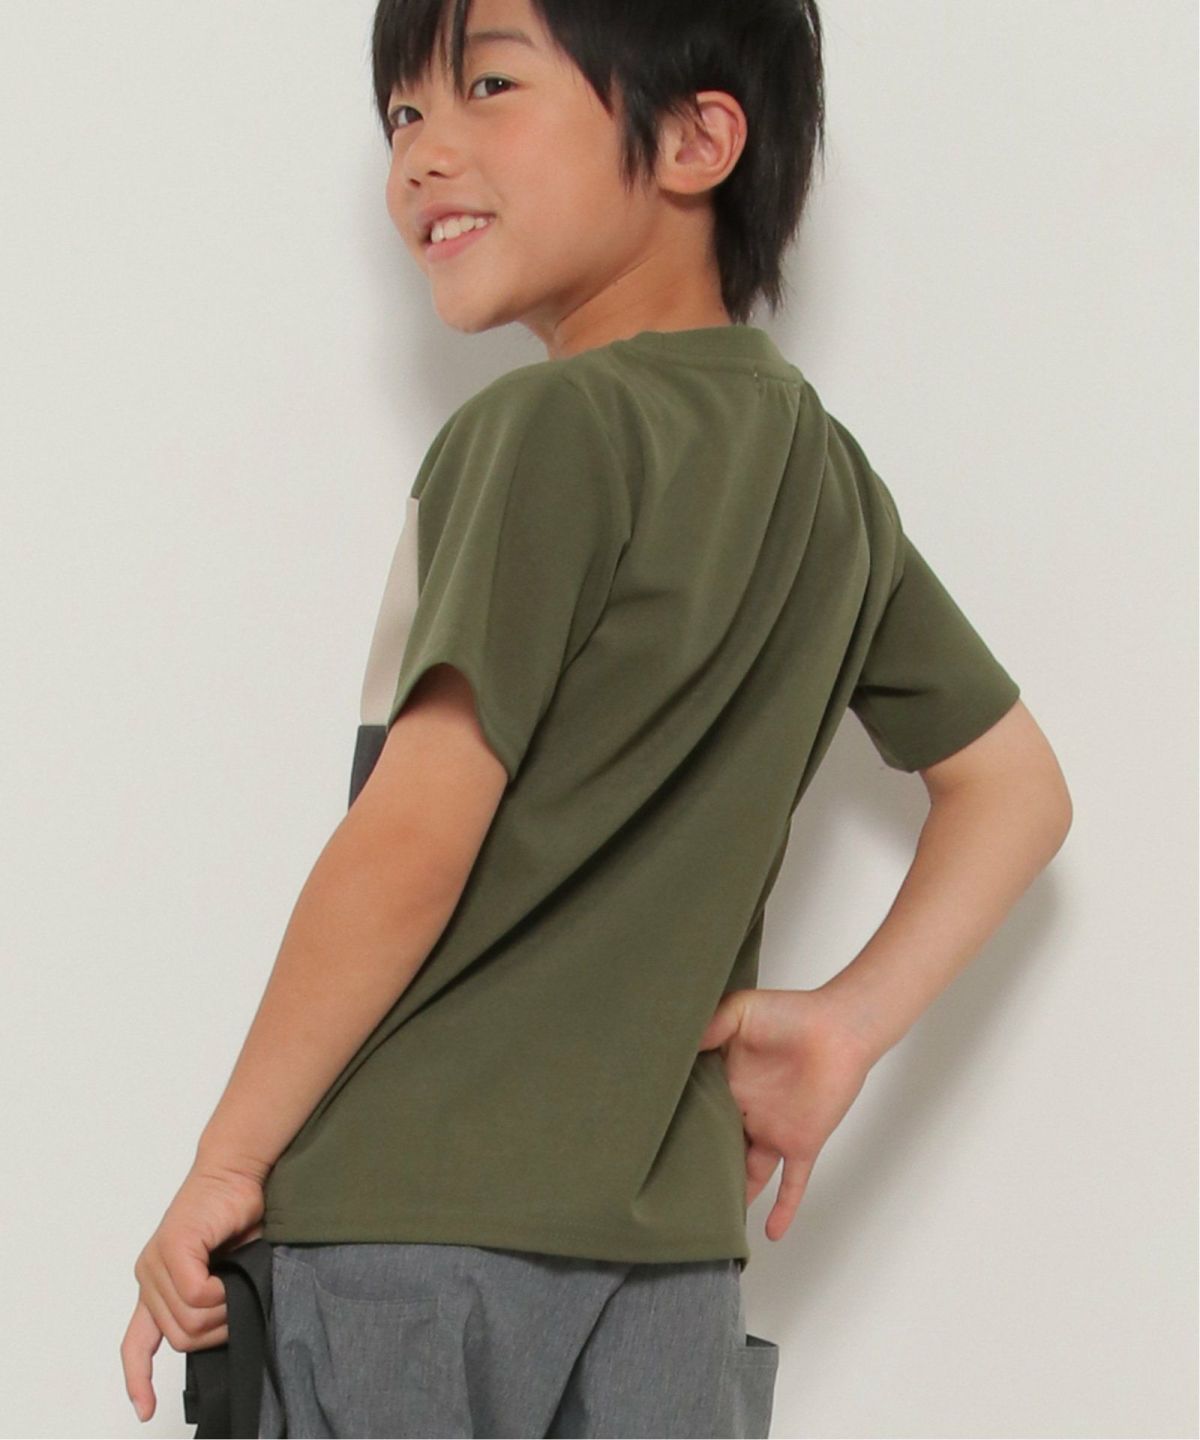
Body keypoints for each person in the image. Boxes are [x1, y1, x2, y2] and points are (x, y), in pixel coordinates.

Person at [121, 0, 1073, 1434]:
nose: (420, 153)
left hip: (406, 1232)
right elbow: (1017, 787)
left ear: (696, 139)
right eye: (403, 113)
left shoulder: (540, 431)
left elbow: (412, 839)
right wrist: (848, 1026)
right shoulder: (826, 481)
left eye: (488, 85)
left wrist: (225, 1161)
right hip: (670, 1261)